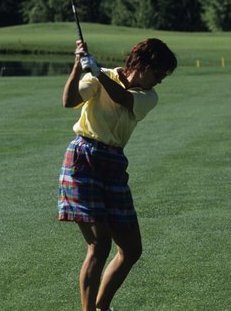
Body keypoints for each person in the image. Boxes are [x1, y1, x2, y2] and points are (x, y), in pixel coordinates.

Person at [58, 38, 177, 311]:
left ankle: (102, 306)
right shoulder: (103, 76)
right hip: (83, 160)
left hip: (113, 165)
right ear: (145, 64)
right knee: (99, 246)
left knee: (132, 249)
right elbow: (68, 101)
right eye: (158, 74)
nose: (159, 81)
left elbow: (122, 98)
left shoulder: (148, 96)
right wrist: (79, 66)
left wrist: (97, 72)